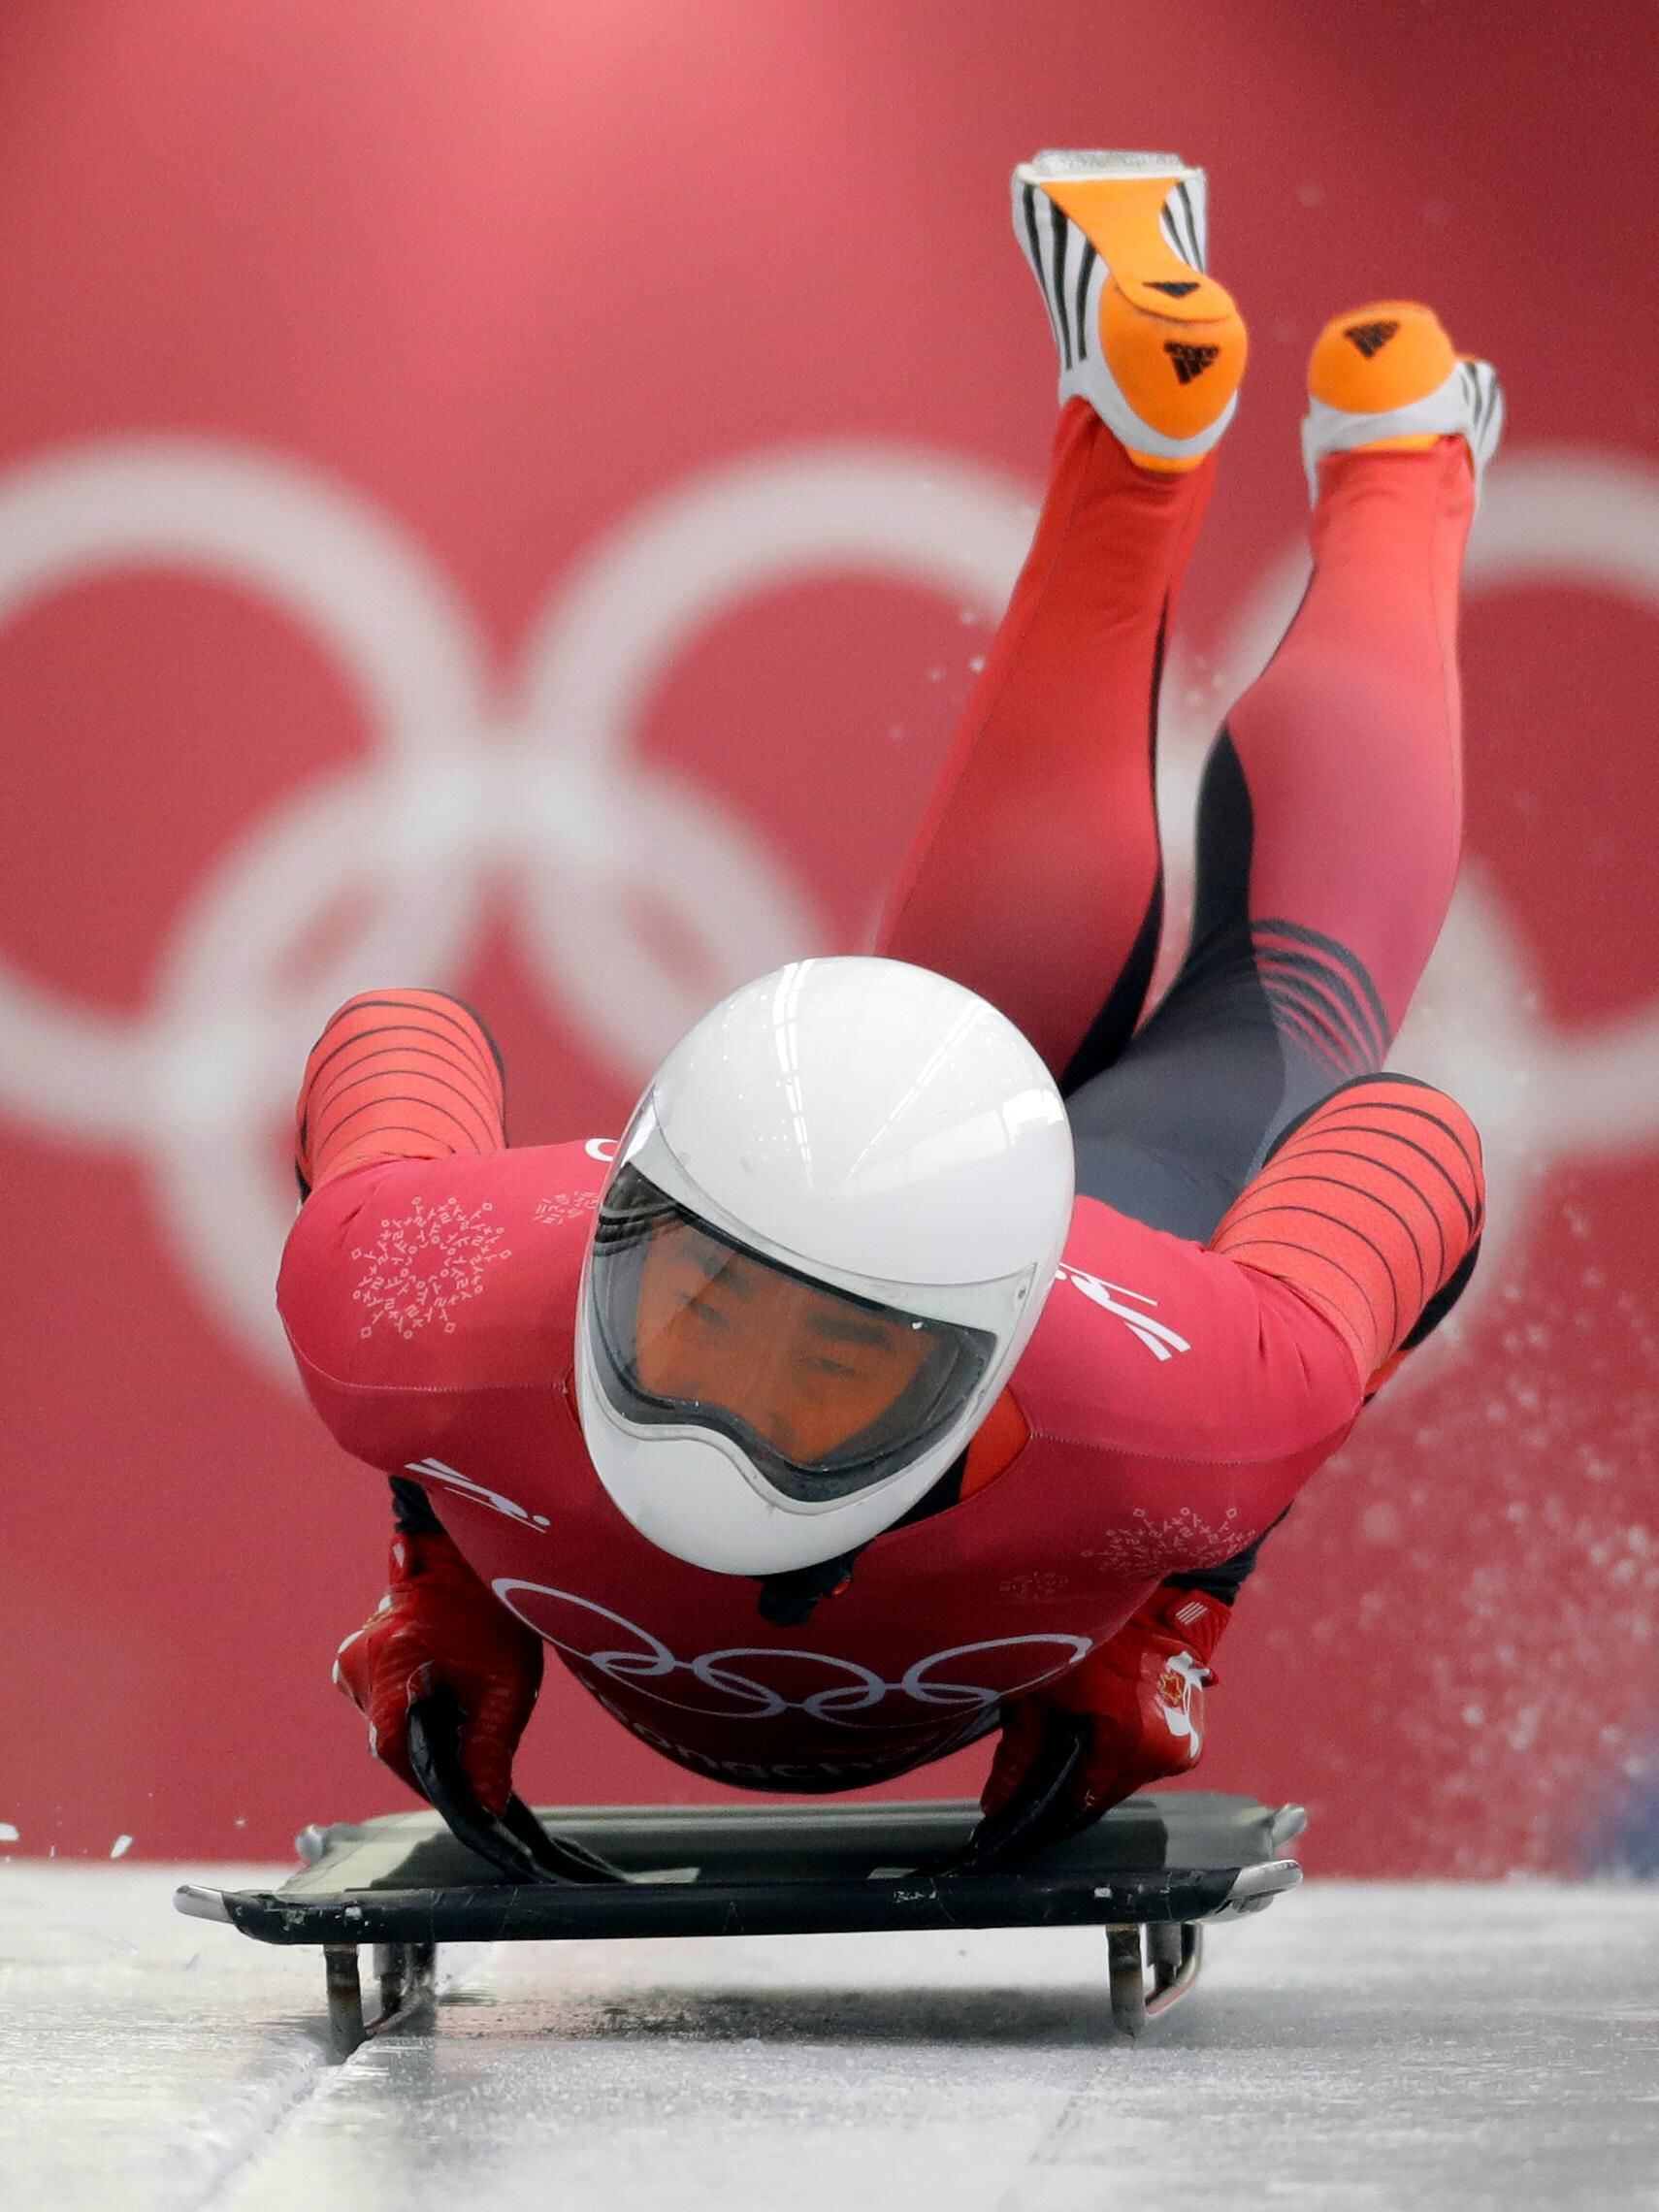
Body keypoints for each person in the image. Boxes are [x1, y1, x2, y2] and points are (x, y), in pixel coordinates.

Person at [277, 151, 1495, 1844]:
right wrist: (1162, 1622)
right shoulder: (1202, 1402)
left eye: (836, 1363)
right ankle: (1390, 462)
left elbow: (389, 1039)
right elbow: (1406, 1151)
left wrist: (445, 1565)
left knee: (1260, 1001)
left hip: (1098, 1250)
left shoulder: (1189, 1387)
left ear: (1000, 1346)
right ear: (627, 1215)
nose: (743, 1420)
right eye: (706, 1311)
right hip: (1081, 1260)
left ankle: (1356, 455)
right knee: (1279, 1010)